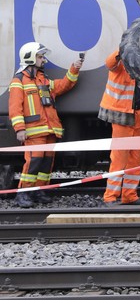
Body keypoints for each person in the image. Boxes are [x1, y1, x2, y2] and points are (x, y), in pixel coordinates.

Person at [7, 42, 83, 208]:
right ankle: (23, 193)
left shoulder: (44, 80)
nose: (43, 59)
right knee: (34, 161)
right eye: (40, 56)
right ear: (30, 58)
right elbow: (14, 108)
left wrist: (74, 69)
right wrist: (19, 129)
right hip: (33, 131)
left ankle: (38, 191)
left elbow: (64, 85)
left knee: (46, 163)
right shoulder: (18, 81)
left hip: (49, 130)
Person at [98, 49, 140, 206]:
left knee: (135, 160)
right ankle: (110, 197)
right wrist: (122, 49)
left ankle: (129, 195)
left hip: (137, 119)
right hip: (122, 117)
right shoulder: (120, 64)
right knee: (119, 158)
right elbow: (109, 62)